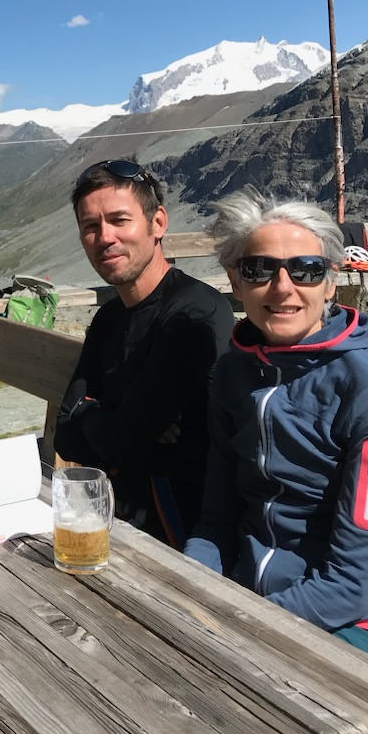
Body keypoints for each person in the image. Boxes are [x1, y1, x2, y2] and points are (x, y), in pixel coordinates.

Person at [184, 190, 368, 686]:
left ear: (330, 282)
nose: (283, 288)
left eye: (305, 270)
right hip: (261, 606)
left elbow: (351, 586)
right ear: (235, 280)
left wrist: (234, 625)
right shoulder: (233, 374)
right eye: (259, 269)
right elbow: (217, 519)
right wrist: (188, 590)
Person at [53, 159, 234, 546]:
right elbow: (64, 437)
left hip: (181, 531)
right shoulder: (109, 317)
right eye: (90, 226)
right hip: (115, 516)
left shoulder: (196, 312)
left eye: (120, 220)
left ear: (158, 223)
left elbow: (121, 442)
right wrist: (119, 421)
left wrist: (90, 410)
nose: (104, 237)